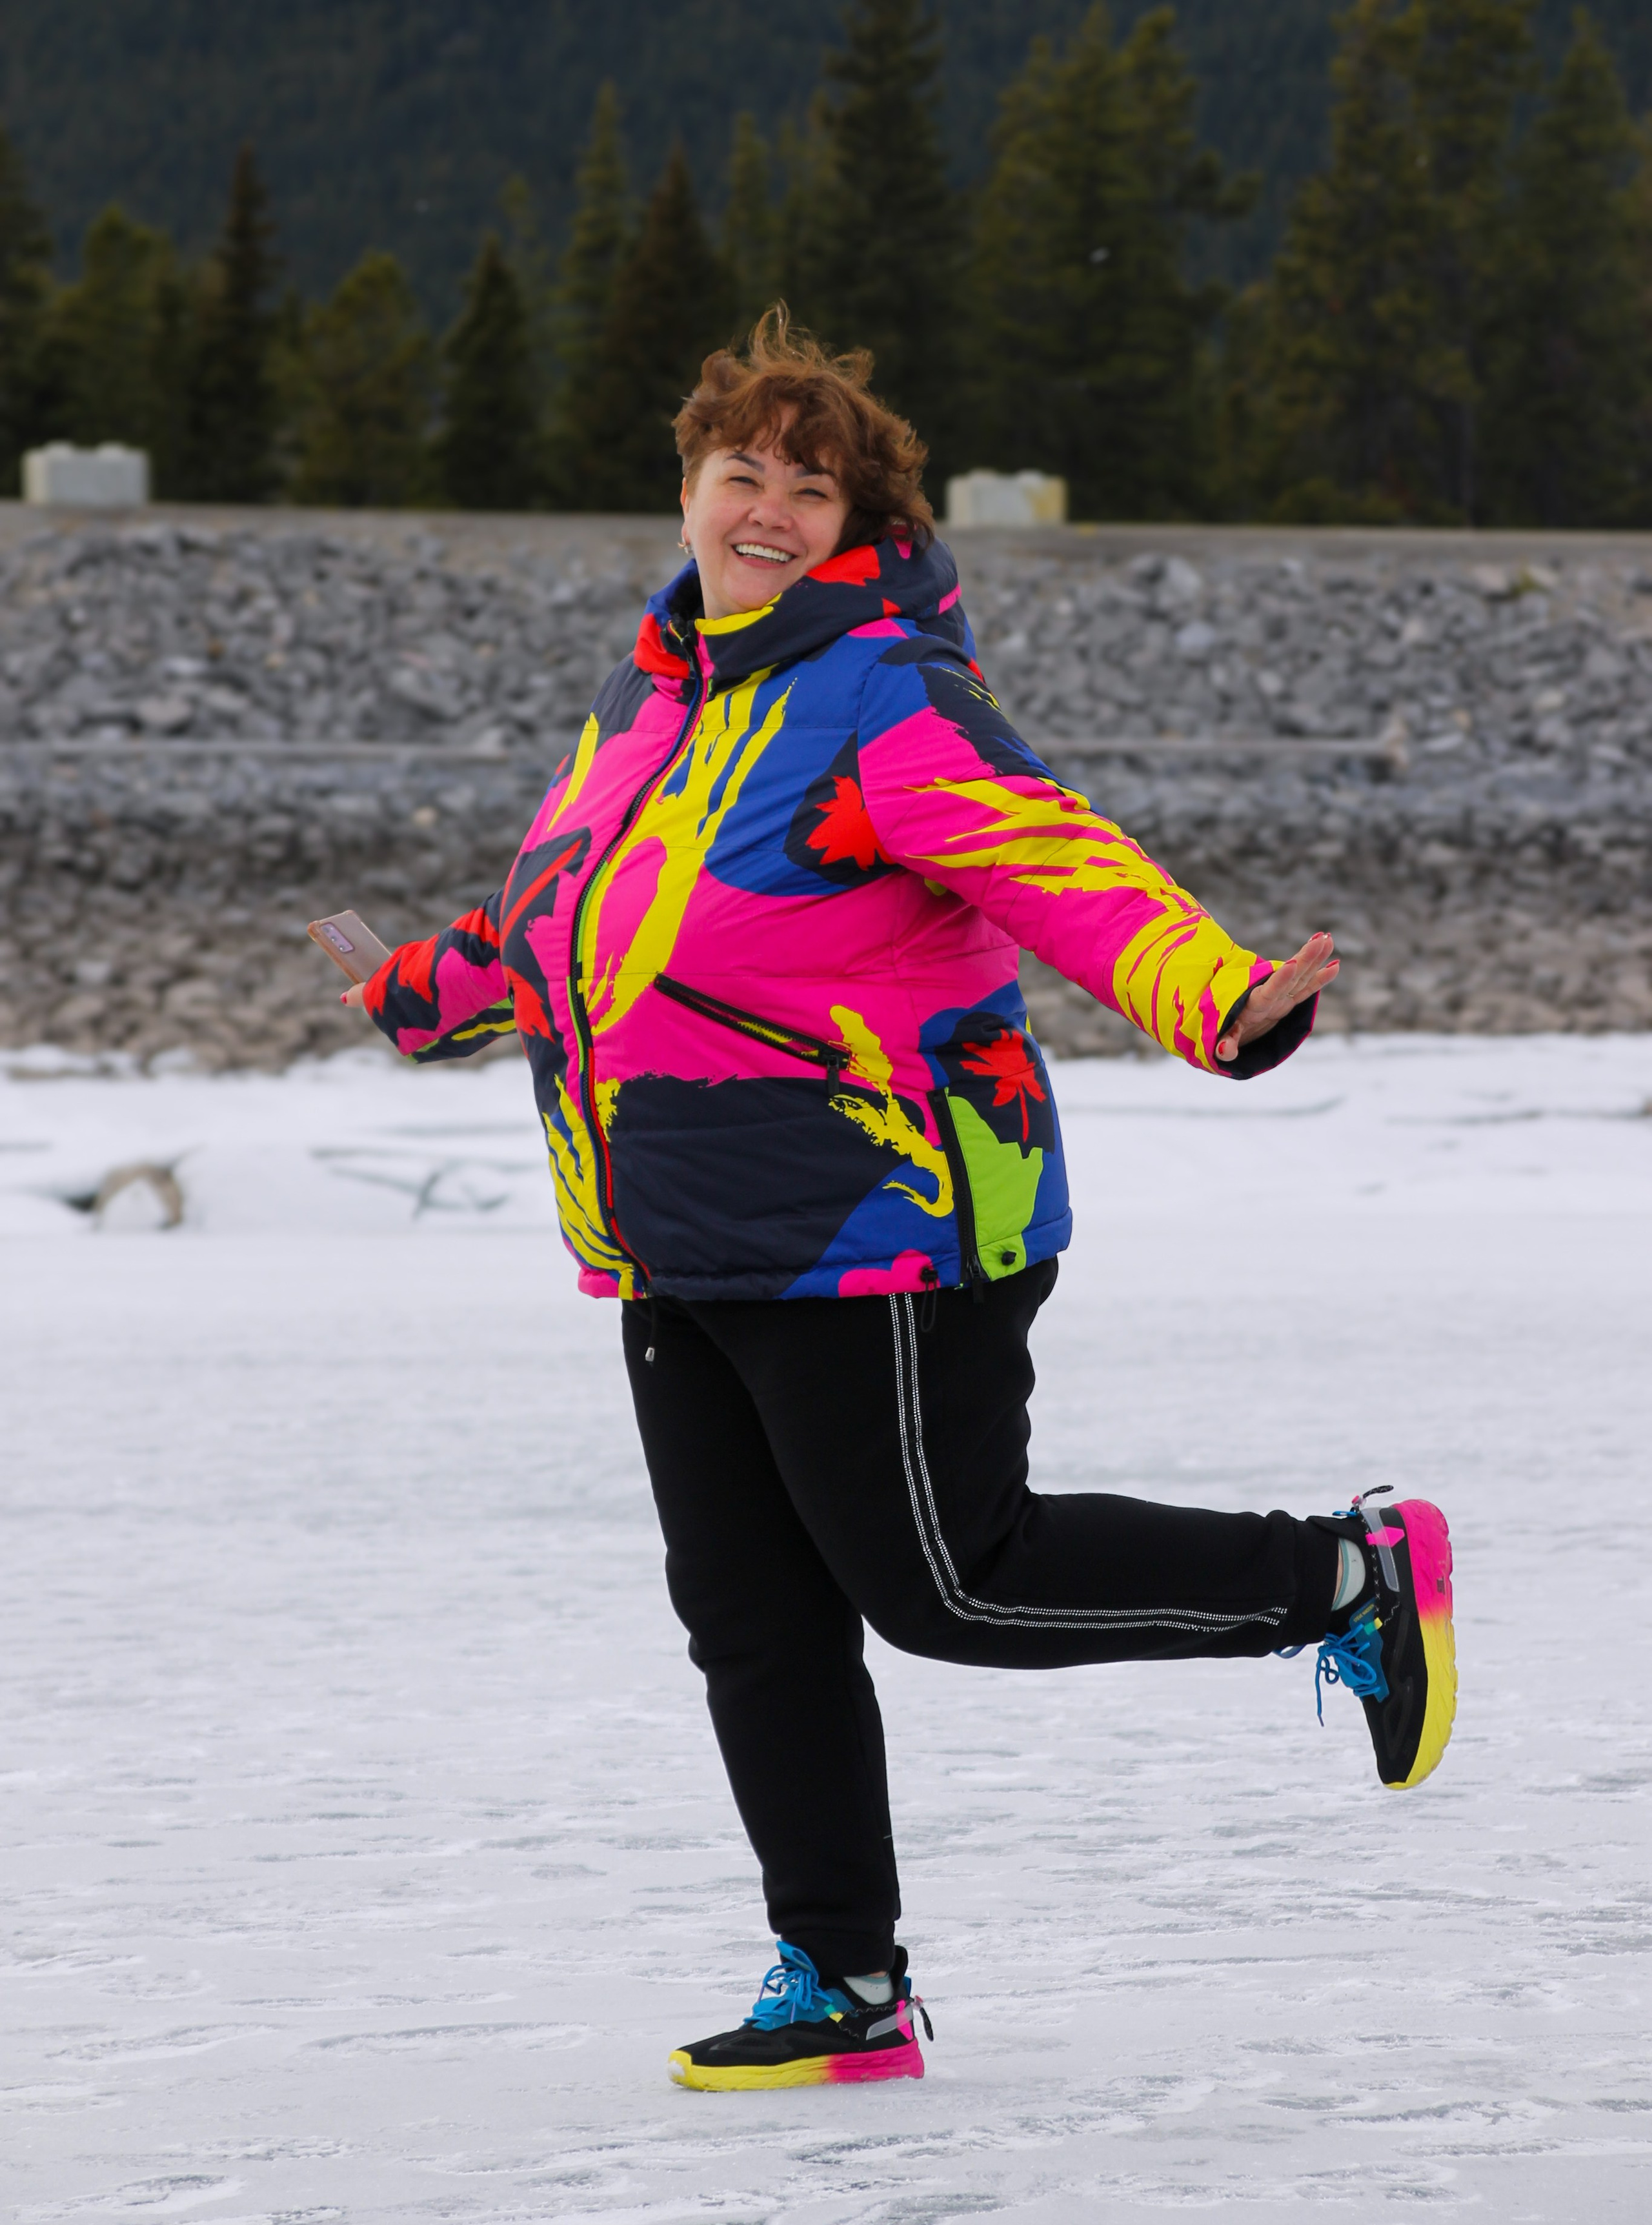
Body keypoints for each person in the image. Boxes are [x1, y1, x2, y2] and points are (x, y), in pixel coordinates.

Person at [343, 310, 1456, 2093]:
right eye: (742, 472)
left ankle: (1342, 1576)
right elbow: (566, 922)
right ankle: (843, 1983)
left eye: (811, 482)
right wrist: (432, 987)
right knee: (756, 1627)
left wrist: (1215, 996)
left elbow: (1055, 861)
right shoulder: (641, 707)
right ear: (690, 486)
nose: (768, 508)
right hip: (674, 1239)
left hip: (882, 1223)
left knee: (953, 1583)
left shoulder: (882, 691)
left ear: (858, 521)